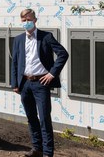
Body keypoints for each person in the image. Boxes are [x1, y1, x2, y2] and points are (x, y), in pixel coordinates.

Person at [11, 8, 69, 157]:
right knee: (31, 118)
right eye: (24, 20)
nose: (27, 23)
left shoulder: (46, 37)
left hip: (41, 83)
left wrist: (52, 73)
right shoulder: (18, 39)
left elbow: (63, 54)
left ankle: (48, 153)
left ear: (35, 20)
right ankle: (37, 149)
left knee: (44, 119)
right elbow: (15, 62)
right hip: (24, 84)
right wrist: (15, 84)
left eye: (29, 20)